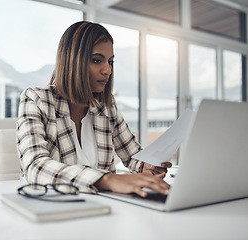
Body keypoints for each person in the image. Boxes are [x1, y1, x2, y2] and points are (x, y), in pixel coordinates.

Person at [16, 21, 171, 198]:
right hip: (52, 206)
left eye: (111, 62)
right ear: (72, 61)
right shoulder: (36, 99)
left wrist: (146, 166)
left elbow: (133, 155)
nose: (107, 70)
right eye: (97, 60)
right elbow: (35, 167)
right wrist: (109, 179)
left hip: (105, 207)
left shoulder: (106, 106)